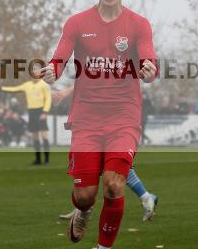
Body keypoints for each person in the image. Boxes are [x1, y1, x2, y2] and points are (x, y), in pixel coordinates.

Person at [42, 0, 157, 249]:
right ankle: (83, 211)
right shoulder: (77, 23)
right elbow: (60, 56)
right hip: (87, 119)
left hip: (124, 116)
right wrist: (51, 70)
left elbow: (149, 60)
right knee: (85, 194)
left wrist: (149, 68)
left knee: (114, 185)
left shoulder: (138, 24)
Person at [51, 85, 159, 221]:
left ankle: (84, 208)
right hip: (99, 118)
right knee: (109, 167)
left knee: (110, 167)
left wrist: (66, 92)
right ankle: (146, 197)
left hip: (115, 120)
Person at [1, 76, 51, 165]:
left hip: (41, 111)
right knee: (35, 136)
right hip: (31, 112)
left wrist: (45, 112)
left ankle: (46, 160)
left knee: (44, 136)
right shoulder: (27, 85)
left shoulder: (44, 85)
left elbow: (48, 99)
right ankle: (38, 160)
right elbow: (14, 89)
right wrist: (2, 88)